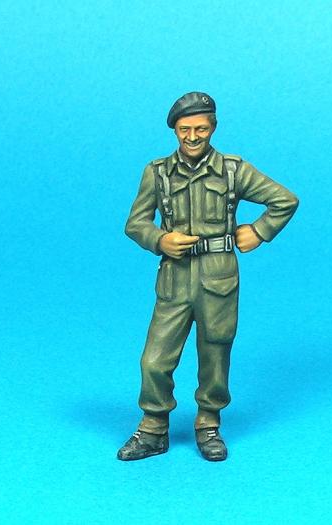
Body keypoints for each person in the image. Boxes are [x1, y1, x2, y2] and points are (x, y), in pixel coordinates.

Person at [118, 92, 298, 461]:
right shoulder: (157, 173)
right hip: (175, 276)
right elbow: (135, 224)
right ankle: (153, 427)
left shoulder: (232, 170)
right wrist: (160, 240)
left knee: (215, 352)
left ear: (213, 127)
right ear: (175, 131)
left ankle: (208, 422)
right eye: (185, 129)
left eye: (200, 128)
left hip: (218, 275)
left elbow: (285, 200)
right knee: (154, 359)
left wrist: (259, 231)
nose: (192, 136)